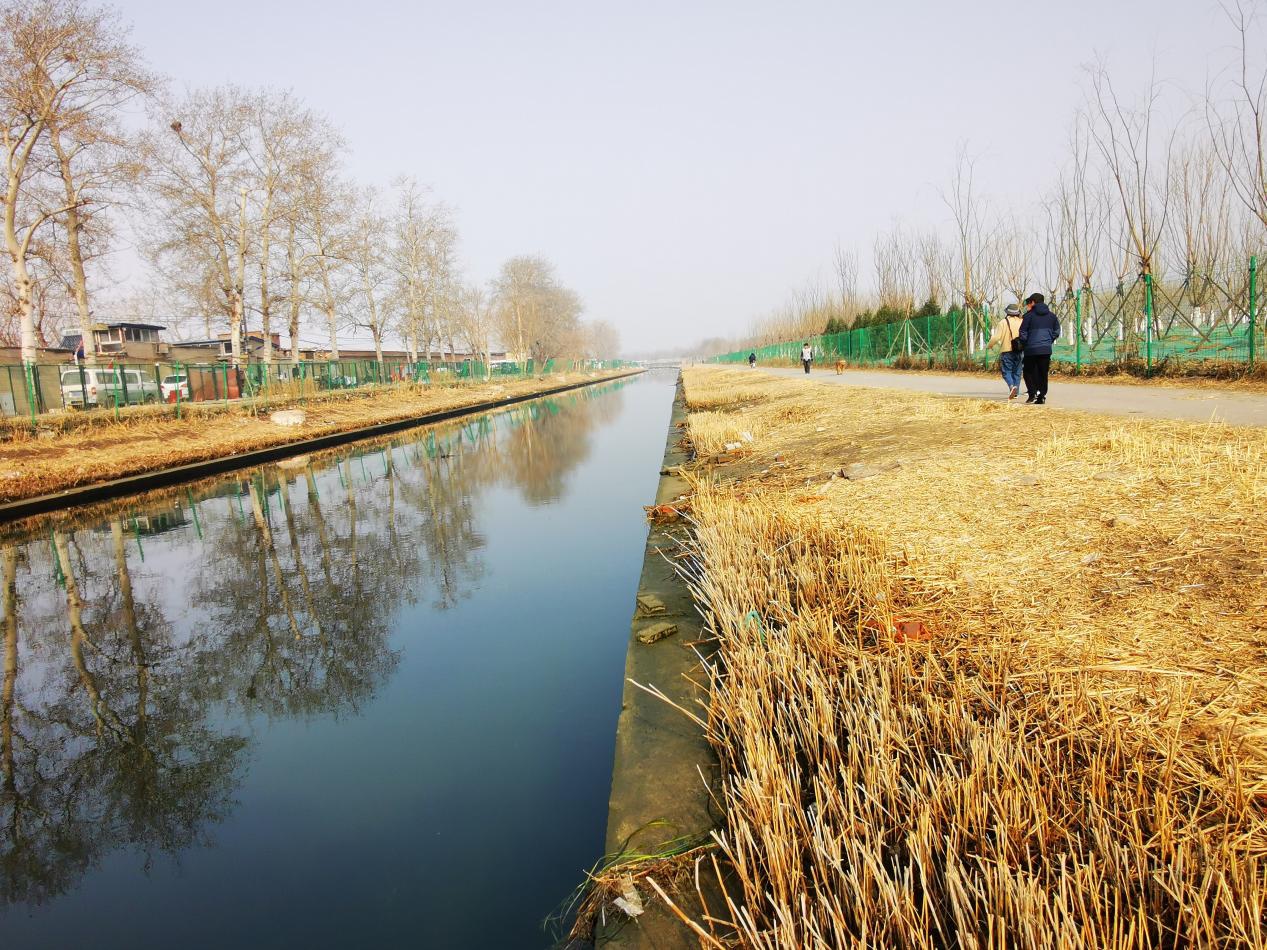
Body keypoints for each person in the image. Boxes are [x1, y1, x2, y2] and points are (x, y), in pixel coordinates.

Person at [1018, 292, 1061, 404]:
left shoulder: (1028, 316)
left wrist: (1026, 342)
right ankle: (1041, 395)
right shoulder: (1052, 316)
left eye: (1029, 302)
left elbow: (1022, 332)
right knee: (1042, 372)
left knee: (1028, 371)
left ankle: (1032, 393)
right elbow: (1057, 331)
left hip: (1031, 349)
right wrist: (1048, 340)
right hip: (1046, 349)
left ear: (1032, 302)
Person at [986, 303, 1025, 400]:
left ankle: (1012, 387)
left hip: (1007, 351)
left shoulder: (1003, 322)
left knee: (1006, 371)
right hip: (1020, 351)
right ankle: (1016, 392)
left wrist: (989, 345)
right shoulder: (1022, 321)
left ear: (1007, 312)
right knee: (1017, 372)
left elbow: (996, 337)